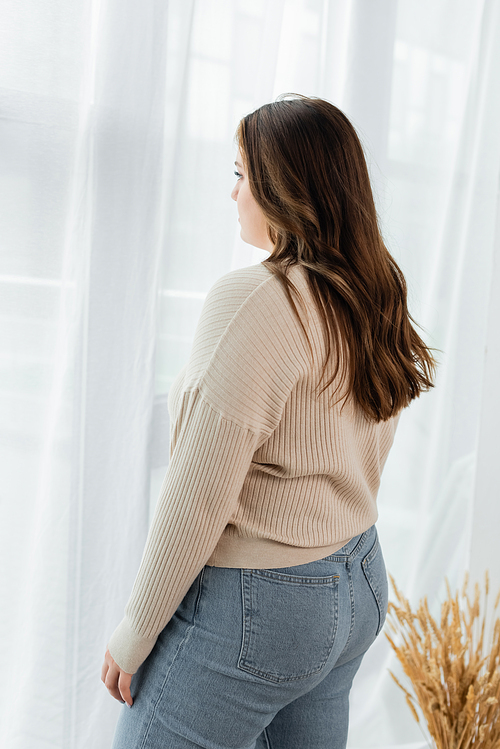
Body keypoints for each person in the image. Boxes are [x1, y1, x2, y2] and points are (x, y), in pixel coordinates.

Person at [102, 94, 437, 749]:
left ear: (286, 189)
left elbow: (198, 494)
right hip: (358, 578)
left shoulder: (258, 297)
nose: (233, 195)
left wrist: (135, 629)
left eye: (241, 177)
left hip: (266, 607)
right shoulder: (372, 289)